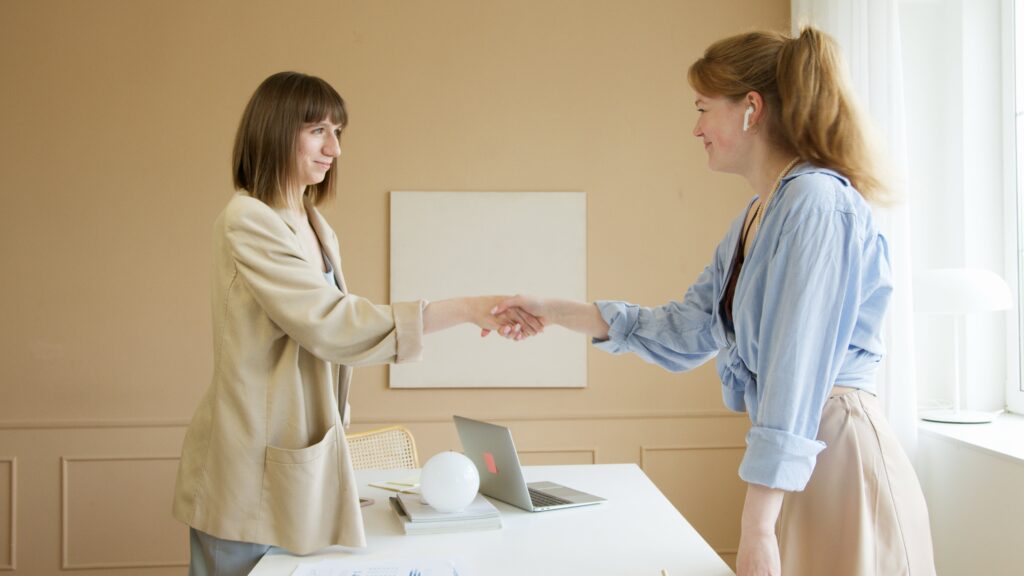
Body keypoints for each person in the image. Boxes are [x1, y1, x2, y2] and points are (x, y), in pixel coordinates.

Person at [493, 28, 936, 576]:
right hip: (800, 457)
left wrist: (755, 527)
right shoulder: (757, 216)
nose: (696, 128)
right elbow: (686, 330)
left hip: (839, 452)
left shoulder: (818, 205)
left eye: (704, 109)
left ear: (751, 109)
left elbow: (793, 373)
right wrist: (556, 311)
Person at [172, 71, 541, 576]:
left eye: (338, 132)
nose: (334, 148)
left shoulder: (316, 225)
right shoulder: (247, 221)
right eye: (318, 130)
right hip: (243, 471)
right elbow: (333, 325)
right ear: (277, 130)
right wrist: (465, 308)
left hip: (293, 462)